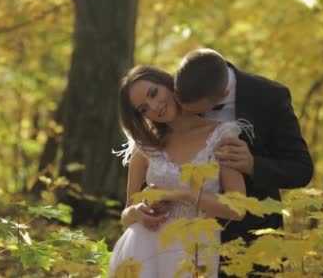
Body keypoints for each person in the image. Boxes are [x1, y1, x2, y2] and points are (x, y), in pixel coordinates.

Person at [174, 48, 314, 274]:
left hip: (253, 239)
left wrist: (253, 165)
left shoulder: (270, 97)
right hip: (184, 237)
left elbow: (301, 169)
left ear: (220, 96)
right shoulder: (181, 89)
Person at [108, 66, 252, 278]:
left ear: (168, 83)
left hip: (196, 248)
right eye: (143, 109)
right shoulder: (146, 146)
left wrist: (180, 194)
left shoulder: (221, 136)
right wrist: (139, 211)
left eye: (153, 93)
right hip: (141, 250)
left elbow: (238, 209)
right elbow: (126, 213)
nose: (154, 106)